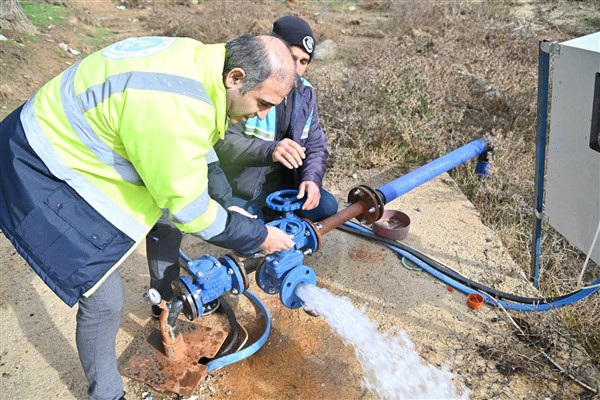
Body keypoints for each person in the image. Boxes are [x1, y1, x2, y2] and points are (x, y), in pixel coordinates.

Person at [0, 34, 297, 400]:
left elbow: (197, 144)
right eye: (262, 103)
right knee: (103, 297)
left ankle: (163, 298)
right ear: (236, 77)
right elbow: (192, 213)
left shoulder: (198, 63)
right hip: (38, 164)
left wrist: (225, 200)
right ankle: (107, 394)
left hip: (73, 141)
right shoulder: (174, 107)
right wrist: (257, 236)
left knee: (164, 217)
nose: (264, 115)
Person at [214, 15, 338, 222]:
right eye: (291, 57)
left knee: (327, 206)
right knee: (249, 235)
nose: (296, 69)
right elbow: (222, 142)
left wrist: (311, 179)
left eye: (304, 61)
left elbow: (316, 144)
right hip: (241, 186)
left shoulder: (306, 93)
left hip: (284, 184)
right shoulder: (249, 87)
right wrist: (271, 150)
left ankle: (272, 211)